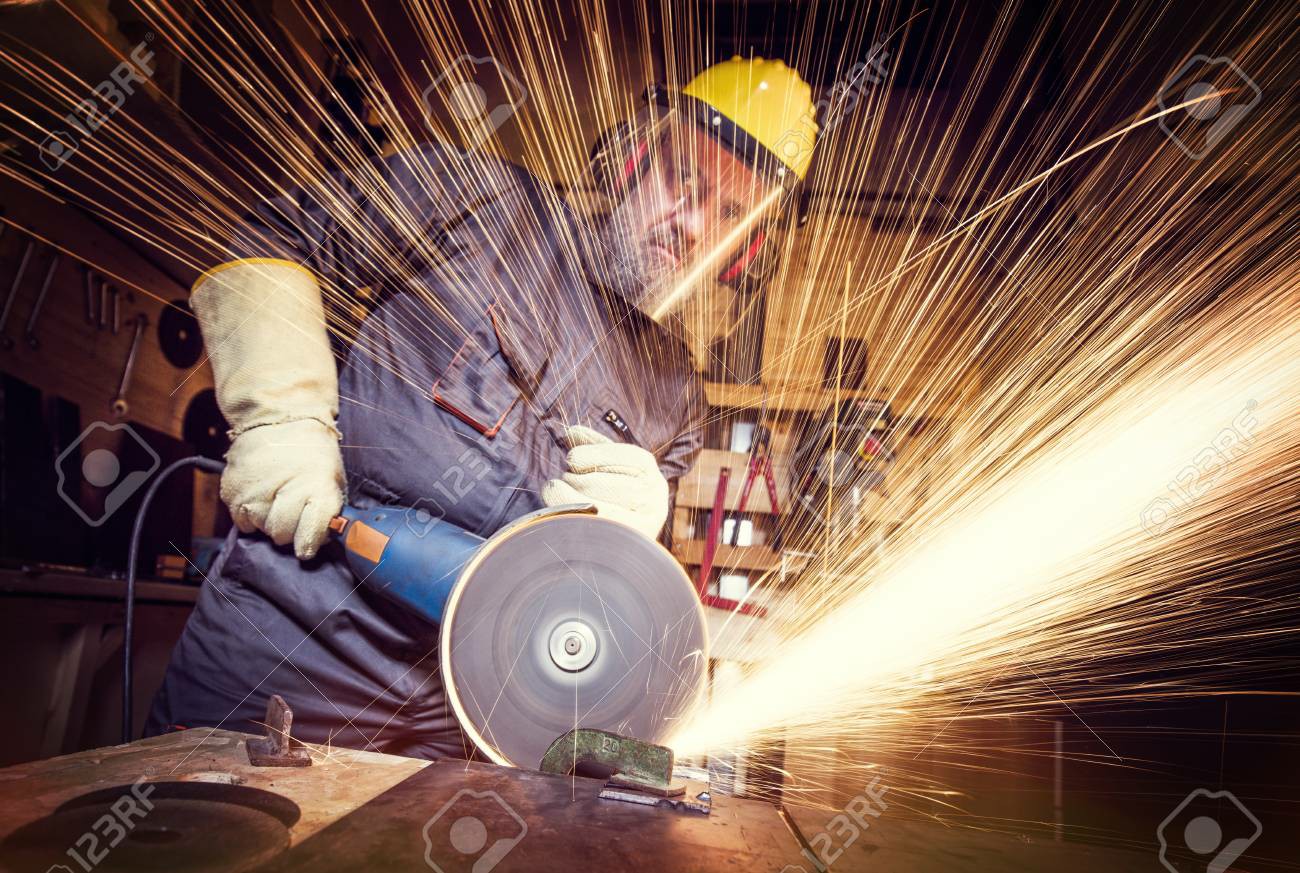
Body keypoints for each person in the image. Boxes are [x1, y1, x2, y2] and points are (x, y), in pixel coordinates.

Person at [146, 56, 818, 759]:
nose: (692, 221)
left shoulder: (679, 393)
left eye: (731, 212)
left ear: (748, 247)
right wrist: (282, 416)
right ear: (634, 160)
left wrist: (628, 539)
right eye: (685, 180)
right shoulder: (475, 197)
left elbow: (605, 592)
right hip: (287, 639)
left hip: (477, 706)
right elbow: (278, 235)